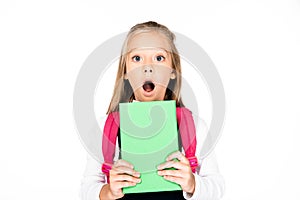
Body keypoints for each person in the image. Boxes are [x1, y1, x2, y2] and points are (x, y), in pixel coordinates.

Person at [80, 21, 225, 200]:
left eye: (159, 58)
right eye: (137, 58)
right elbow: (87, 190)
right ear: (125, 72)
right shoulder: (104, 128)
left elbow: (217, 188)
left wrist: (192, 183)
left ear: (173, 71)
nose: (147, 67)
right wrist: (109, 191)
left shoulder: (194, 126)